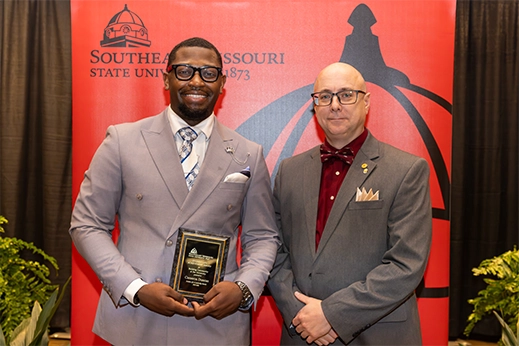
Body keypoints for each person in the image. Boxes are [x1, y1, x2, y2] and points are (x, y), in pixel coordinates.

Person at [69, 37, 280, 345]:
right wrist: (135, 288)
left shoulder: (249, 154)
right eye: (184, 71)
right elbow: (86, 225)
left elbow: (262, 236)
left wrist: (244, 287)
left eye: (208, 73)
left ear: (222, 83)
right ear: (166, 77)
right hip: (134, 321)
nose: (196, 81)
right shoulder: (121, 141)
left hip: (215, 325)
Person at [268, 62, 432, 345]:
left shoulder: (407, 170)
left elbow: (406, 264)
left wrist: (331, 315)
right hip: (302, 332)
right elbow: (273, 249)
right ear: (314, 105)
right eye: (325, 96)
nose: (334, 105)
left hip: (378, 334)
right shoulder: (289, 171)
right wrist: (301, 314)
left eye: (346, 95)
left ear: (366, 102)